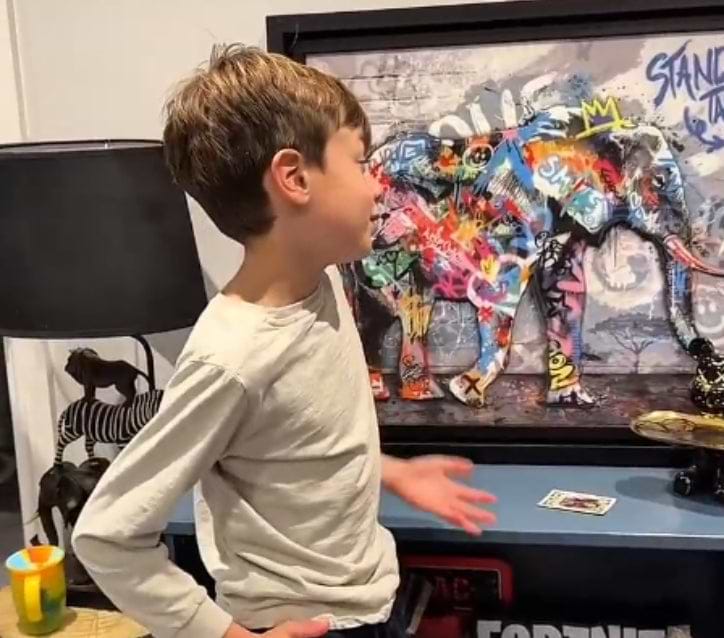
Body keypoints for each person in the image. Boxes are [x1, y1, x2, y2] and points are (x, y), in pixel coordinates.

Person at [72, 44, 497, 638]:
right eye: (360, 162)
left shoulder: (323, 283)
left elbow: (295, 439)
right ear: (294, 178)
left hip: (369, 601)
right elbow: (106, 535)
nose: (377, 188)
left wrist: (385, 470)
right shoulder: (231, 358)